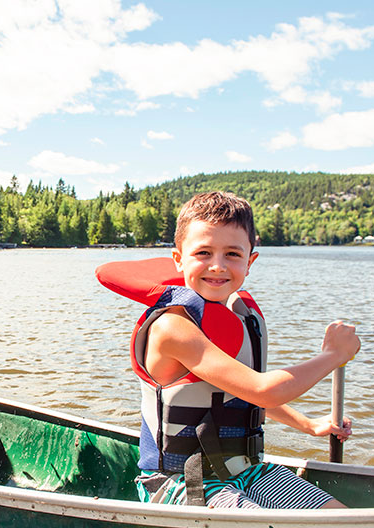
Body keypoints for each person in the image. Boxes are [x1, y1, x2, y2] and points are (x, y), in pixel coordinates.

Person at [130, 191, 359, 509]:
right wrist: (333, 355)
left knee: (340, 519)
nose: (218, 266)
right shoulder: (173, 327)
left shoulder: (238, 317)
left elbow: (237, 395)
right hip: (179, 479)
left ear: (250, 261)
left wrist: (308, 425)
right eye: (204, 253)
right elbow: (263, 392)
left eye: (233, 255)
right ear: (178, 259)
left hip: (245, 471)